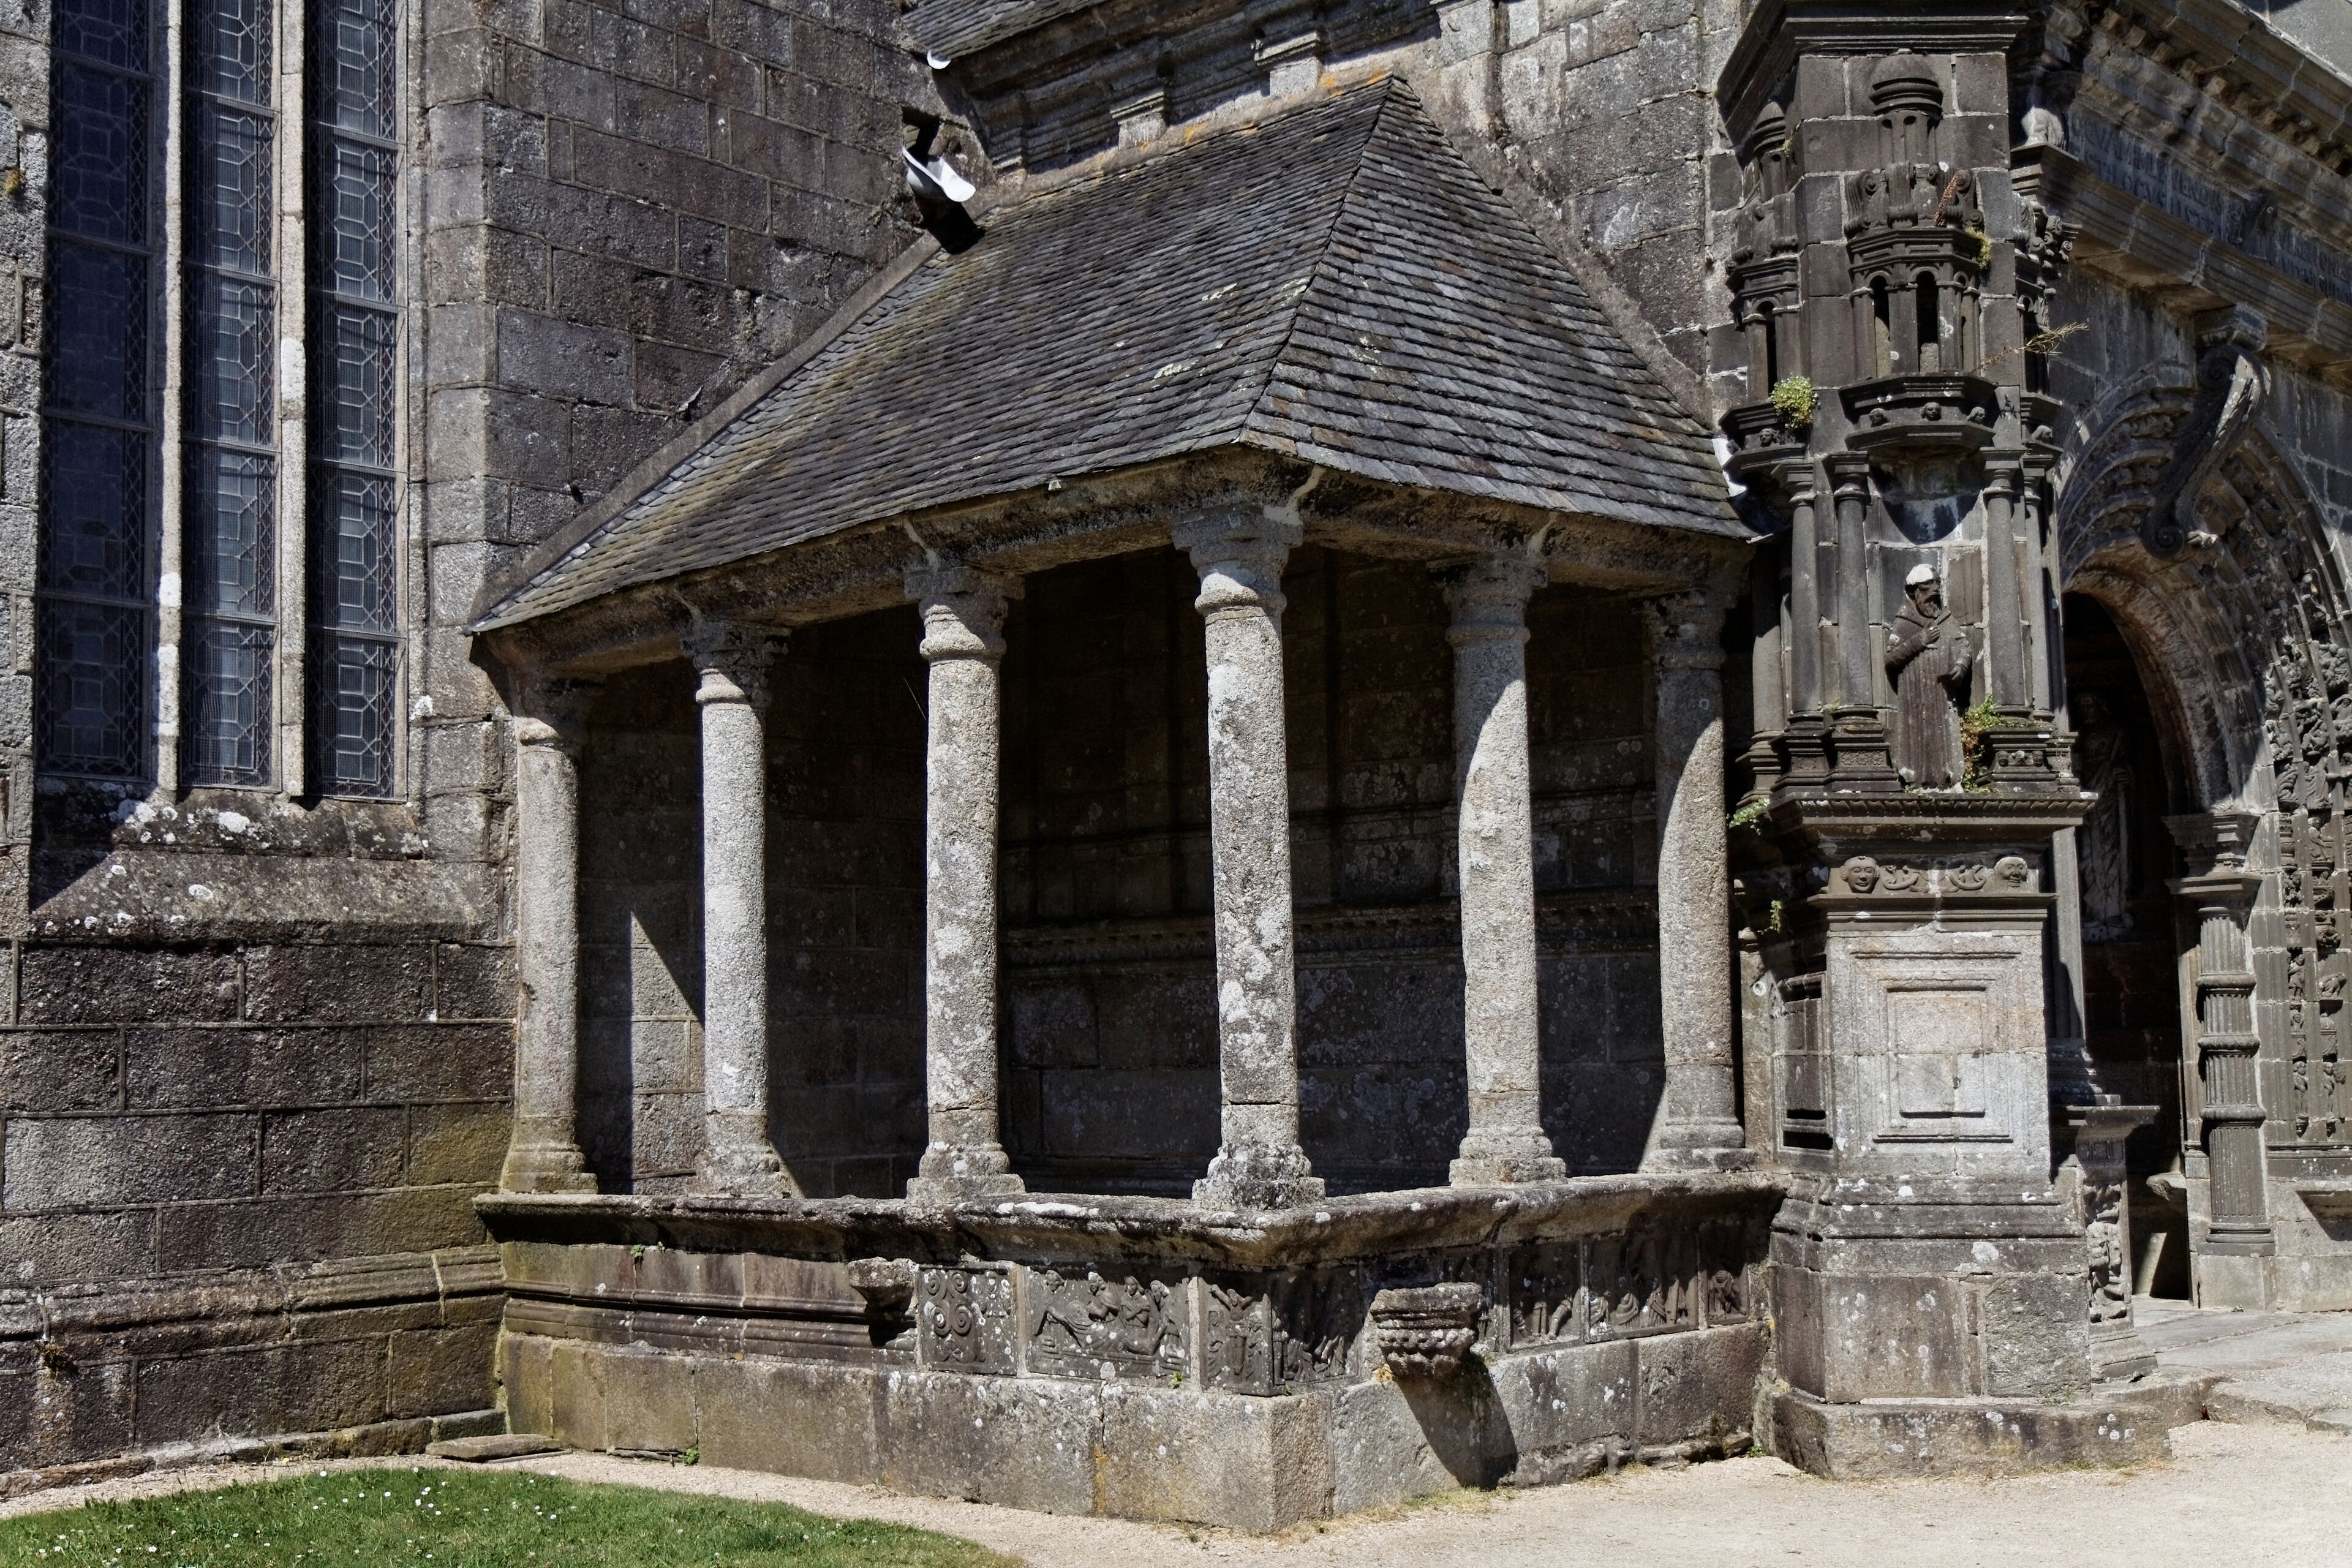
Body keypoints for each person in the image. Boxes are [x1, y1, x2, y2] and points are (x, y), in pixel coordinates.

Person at [1887, 564, 1973, 788]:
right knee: (1918, 737)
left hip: (1940, 692)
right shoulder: (1905, 621)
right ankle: (1916, 778)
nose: (1933, 598)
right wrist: (1920, 640)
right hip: (1914, 691)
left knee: (1942, 738)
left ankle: (1947, 777)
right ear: (1914, 592)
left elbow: (1964, 646)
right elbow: (1891, 658)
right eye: (1927, 590)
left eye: (1936, 591)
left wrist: (1961, 666)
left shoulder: (1944, 618)